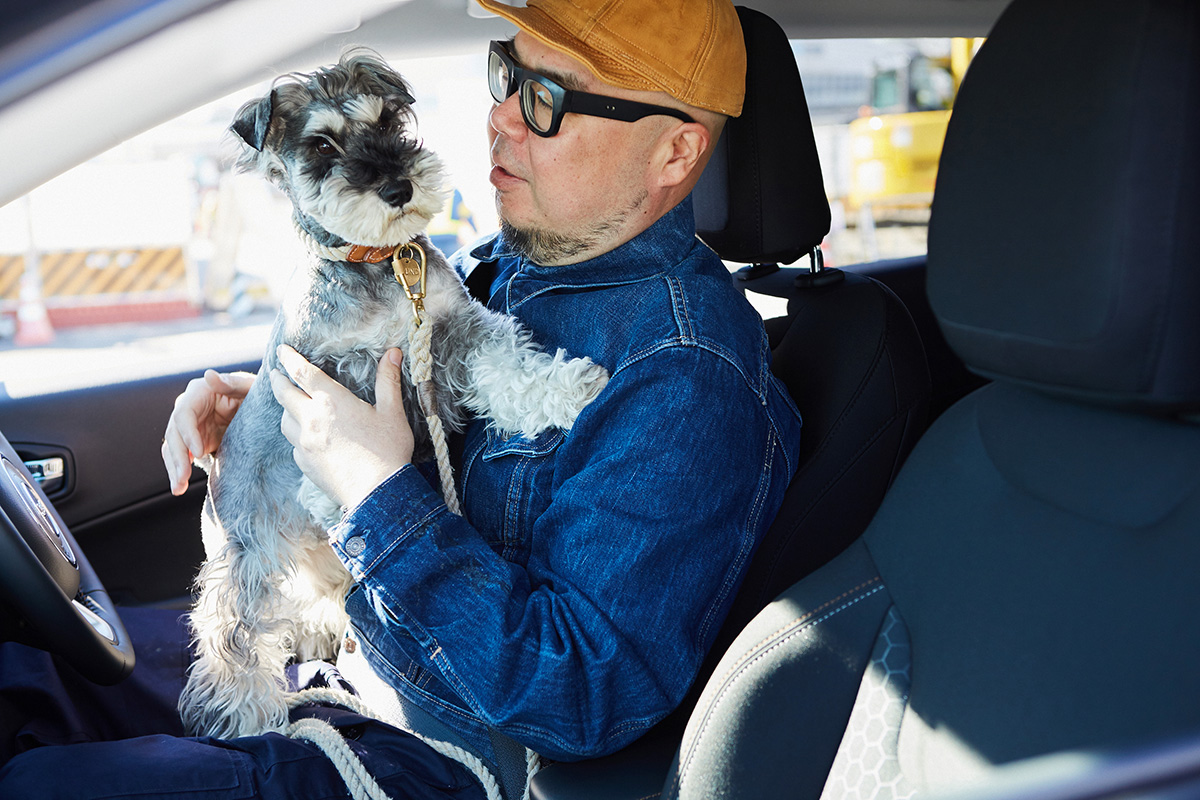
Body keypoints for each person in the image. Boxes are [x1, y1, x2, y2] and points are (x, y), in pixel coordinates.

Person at [0, 0, 802, 797]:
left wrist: (373, 492)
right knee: (23, 672)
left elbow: (581, 693)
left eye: (546, 99)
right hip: (341, 646)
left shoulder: (684, 373)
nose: (500, 118)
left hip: (434, 748)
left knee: (44, 787)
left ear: (675, 152)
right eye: (507, 74)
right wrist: (277, 416)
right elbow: (416, 387)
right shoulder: (511, 260)